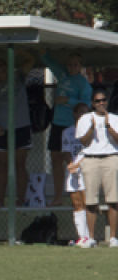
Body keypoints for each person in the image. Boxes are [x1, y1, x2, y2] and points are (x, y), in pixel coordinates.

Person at [41, 51, 92, 206]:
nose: (72, 67)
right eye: (70, 64)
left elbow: (87, 105)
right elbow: (48, 60)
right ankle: (58, 197)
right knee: (55, 159)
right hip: (57, 124)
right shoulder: (62, 75)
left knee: (72, 160)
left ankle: (79, 196)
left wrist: (67, 100)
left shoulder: (83, 83)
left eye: (75, 64)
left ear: (80, 66)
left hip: (72, 126)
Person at [0, 52, 34, 208]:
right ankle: (0, 199)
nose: (1, 69)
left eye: (3, 65)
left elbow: (30, 59)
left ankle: (21, 199)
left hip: (21, 127)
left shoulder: (18, 77)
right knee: (2, 165)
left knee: (20, 164)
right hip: (3, 130)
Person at [75, 88, 118, 248]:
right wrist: (92, 128)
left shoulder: (114, 118)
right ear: (92, 103)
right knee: (91, 201)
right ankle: (91, 237)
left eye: (103, 100)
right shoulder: (85, 119)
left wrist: (108, 127)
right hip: (91, 159)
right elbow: (84, 142)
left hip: (111, 158)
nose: (101, 103)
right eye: (98, 101)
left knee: (113, 200)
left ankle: (113, 238)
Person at [61, 103, 91, 247]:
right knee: (77, 204)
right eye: (80, 112)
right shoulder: (68, 132)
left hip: (85, 169)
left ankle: (90, 237)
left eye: (85, 113)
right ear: (74, 113)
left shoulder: (91, 132)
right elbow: (66, 150)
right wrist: (70, 164)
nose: (82, 115)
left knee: (87, 203)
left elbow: (91, 151)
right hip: (72, 170)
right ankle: (82, 236)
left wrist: (78, 164)